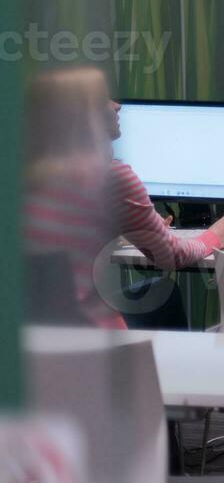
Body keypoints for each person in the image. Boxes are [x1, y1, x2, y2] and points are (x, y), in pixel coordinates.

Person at [105, 99, 224, 318]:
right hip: (88, 327)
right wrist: (215, 236)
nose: (117, 105)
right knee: (163, 294)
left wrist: (127, 229)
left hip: (46, 320)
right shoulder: (113, 175)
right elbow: (171, 257)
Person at [23, 66, 122, 328]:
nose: (117, 105)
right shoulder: (104, 178)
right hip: (88, 336)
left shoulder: (25, 182)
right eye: (103, 99)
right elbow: (167, 254)